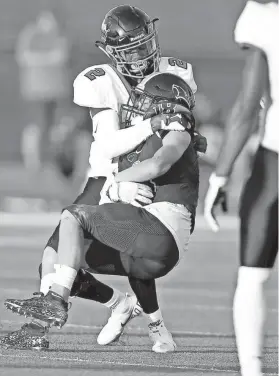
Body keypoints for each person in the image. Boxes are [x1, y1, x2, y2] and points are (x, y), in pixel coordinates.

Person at [1, 5, 204, 352]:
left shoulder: (173, 72)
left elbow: (178, 134)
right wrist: (148, 129)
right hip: (106, 175)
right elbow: (109, 144)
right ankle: (112, 307)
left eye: (144, 46)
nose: (141, 57)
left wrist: (181, 136)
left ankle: (147, 323)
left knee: (93, 242)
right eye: (131, 51)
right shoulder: (101, 81)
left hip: (142, 178)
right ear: (112, 52)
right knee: (53, 259)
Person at [203, 1, 278, 375]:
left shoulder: (262, 17)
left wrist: (220, 175)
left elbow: (248, 107)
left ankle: (253, 370)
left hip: (276, 159)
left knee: (252, 275)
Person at [16, 10, 71, 172]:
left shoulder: (59, 36)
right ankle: (32, 164)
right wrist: (46, 59)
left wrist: (40, 59)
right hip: (34, 92)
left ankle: (56, 162)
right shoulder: (29, 35)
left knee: (57, 128)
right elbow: (23, 57)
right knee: (35, 127)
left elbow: (60, 56)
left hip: (56, 91)